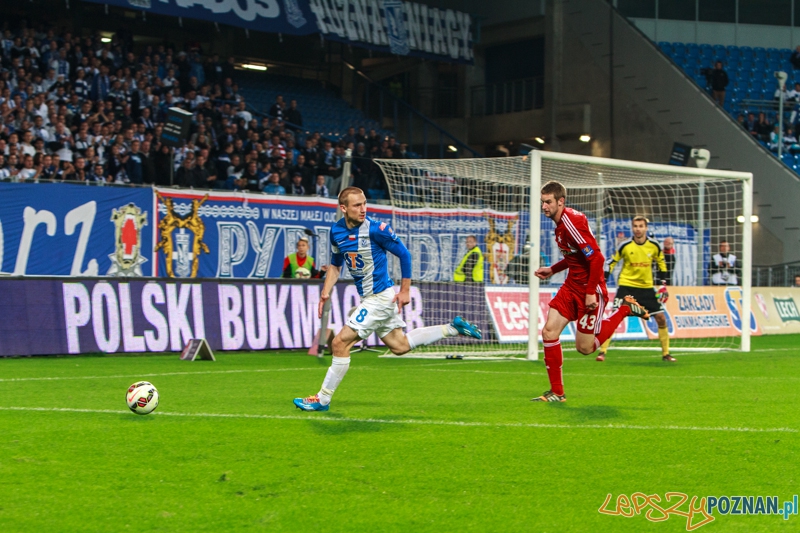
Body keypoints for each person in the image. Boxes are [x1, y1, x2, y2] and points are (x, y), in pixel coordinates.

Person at [293, 187, 482, 412]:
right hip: (369, 298)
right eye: (357, 205)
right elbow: (335, 264)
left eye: (364, 203)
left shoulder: (377, 229)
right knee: (399, 346)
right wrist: (325, 293)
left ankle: (322, 399)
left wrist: (405, 290)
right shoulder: (336, 232)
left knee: (339, 343)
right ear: (343, 208)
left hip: (380, 298)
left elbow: (404, 254)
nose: (363, 209)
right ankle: (452, 328)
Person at [533, 181, 649, 402]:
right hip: (571, 286)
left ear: (561, 201)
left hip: (590, 288)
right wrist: (552, 269)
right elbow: (575, 256)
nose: (544, 207)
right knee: (549, 332)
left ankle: (624, 309)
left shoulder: (570, 223)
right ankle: (557, 392)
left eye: (548, 202)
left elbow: (597, 258)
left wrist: (589, 293)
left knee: (585, 348)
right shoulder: (560, 224)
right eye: (542, 202)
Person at [598, 217, 675, 363]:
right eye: (635, 226)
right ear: (632, 228)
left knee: (661, 318)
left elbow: (661, 263)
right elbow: (611, 262)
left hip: (646, 288)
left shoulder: (654, 246)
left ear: (646, 228)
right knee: (614, 318)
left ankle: (666, 354)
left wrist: (664, 284)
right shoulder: (625, 245)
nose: (638, 229)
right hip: (627, 286)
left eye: (641, 226)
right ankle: (602, 352)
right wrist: (605, 279)